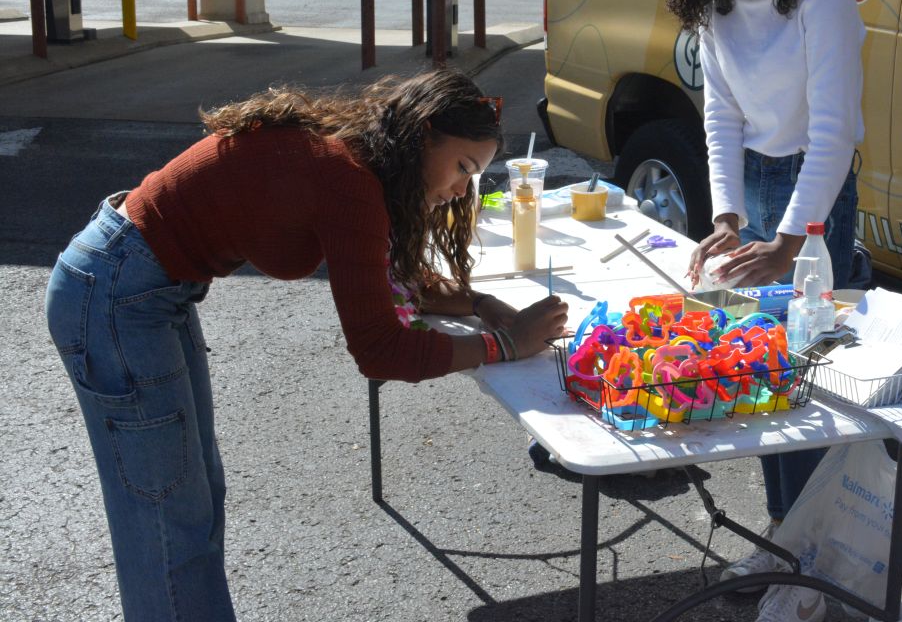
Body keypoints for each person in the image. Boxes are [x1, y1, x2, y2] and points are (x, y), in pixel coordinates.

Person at [44, 70, 569, 621]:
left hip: (140, 285)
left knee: (192, 500)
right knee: (167, 516)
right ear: (422, 136)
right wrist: (504, 345)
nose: (464, 190)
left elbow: (392, 283)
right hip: (117, 292)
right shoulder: (347, 178)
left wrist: (481, 303)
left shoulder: (358, 161)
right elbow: (380, 349)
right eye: (463, 167)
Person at [660, 0, 865, 622]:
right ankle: (786, 537)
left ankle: (813, 555)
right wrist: (725, 217)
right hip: (754, 184)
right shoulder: (713, 5)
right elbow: (722, 118)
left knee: (805, 372)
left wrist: (789, 241)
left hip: (816, 192)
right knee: (760, 365)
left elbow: (834, 133)